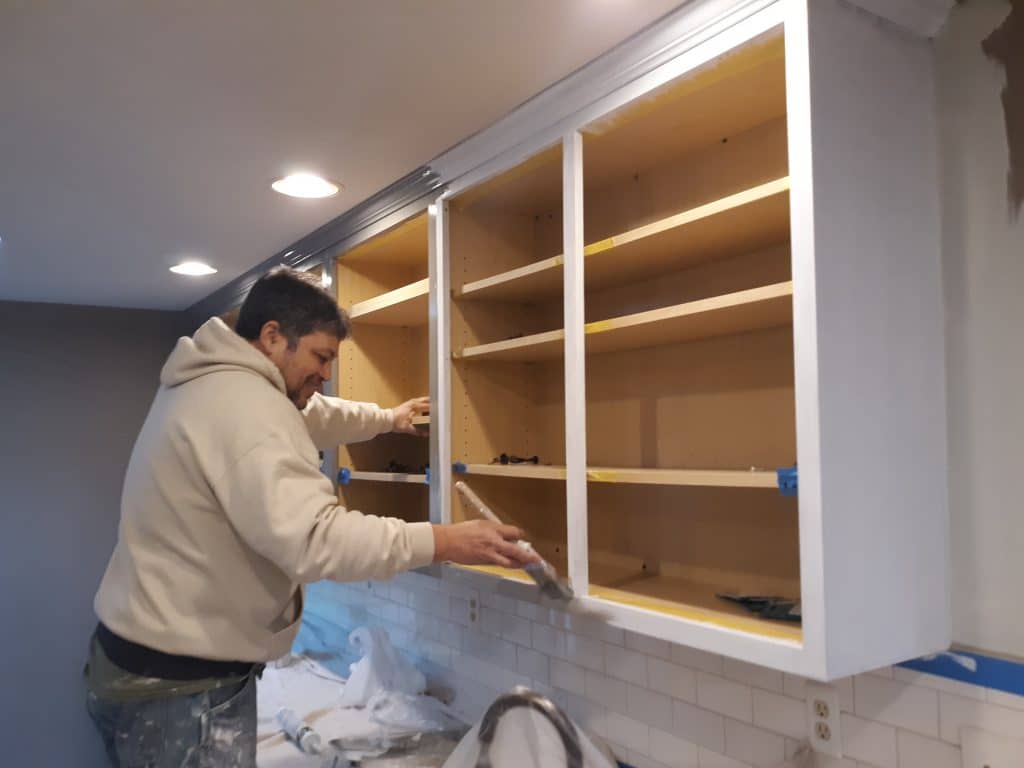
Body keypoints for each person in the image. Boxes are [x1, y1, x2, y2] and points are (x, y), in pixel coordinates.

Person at [85, 267, 537, 766]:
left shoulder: (217, 382)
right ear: (273, 336)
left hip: (145, 666)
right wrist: (444, 540)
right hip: (182, 688)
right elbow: (316, 539)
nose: (325, 373)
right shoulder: (245, 406)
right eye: (321, 357)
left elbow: (313, 414)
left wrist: (388, 418)